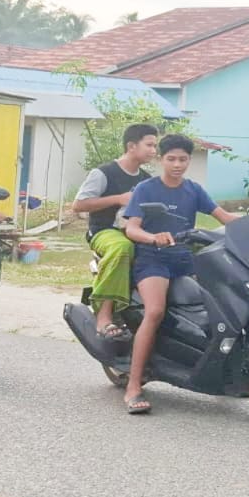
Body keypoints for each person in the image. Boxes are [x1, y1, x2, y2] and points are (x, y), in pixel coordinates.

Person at [119, 135, 238, 414]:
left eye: (183, 159)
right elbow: (131, 228)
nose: (177, 164)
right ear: (161, 159)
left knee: (221, 304)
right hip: (153, 261)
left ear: (189, 160)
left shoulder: (193, 189)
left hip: (186, 260)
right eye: (171, 159)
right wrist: (152, 237)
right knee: (155, 312)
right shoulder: (146, 189)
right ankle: (134, 386)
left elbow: (223, 216)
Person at [71, 123, 158, 343]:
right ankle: (104, 316)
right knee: (122, 248)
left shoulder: (146, 179)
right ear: (131, 146)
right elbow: (79, 205)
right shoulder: (103, 172)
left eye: (155, 146)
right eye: (149, 145)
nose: (153, 151)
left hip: (134, 230)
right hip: (105, 231)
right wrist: (118, 199)